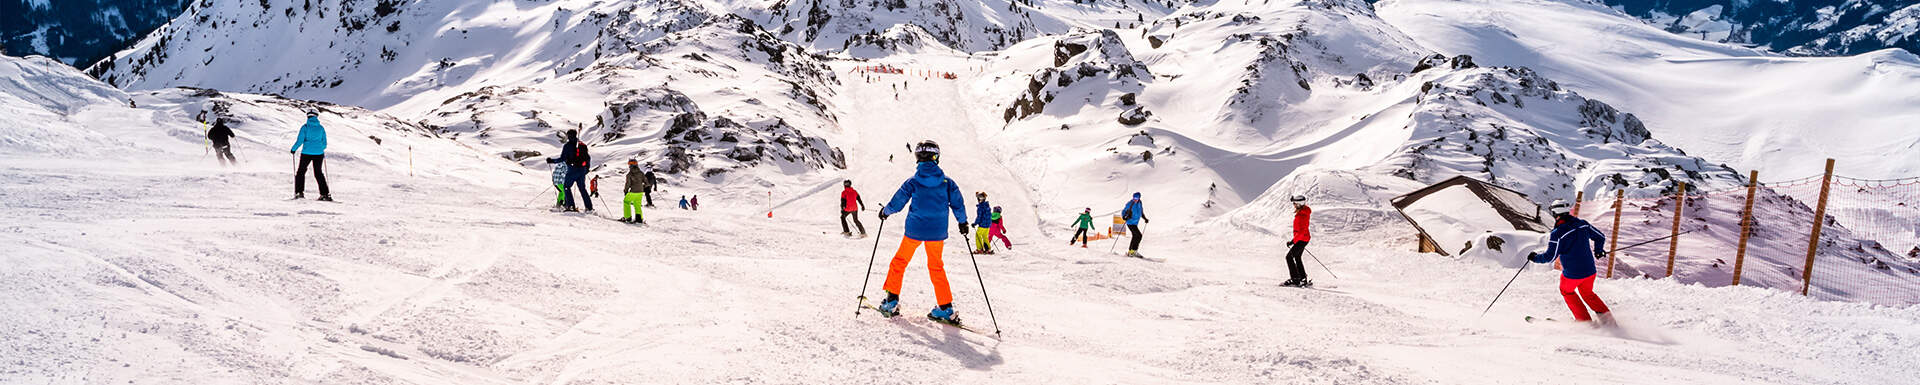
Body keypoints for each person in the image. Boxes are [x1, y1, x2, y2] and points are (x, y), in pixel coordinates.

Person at [874, 140, 970, 324]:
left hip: (914, 231)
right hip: (937, 232)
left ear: (918, 157)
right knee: (936, 267)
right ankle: (945, 308)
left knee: (900, 262)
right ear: (936, 158)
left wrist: (885, 211)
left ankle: (891, 301)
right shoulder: (947, 183)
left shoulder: (913, 182)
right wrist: (963, 222)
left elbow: (898, 201)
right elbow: (958, 203)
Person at [1528, 200, 1613, 324]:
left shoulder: (1558, 234)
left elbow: (1550, 257)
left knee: (1566, 291)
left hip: (1573, 274)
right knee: (1587, 293)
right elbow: (1600, 236)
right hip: (1590, 271)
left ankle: (1584, 322)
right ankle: (1609, 321)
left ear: (1555, 213)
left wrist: (1535, 258)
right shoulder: (1582, 224)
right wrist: (1598, 250)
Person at [288, 109, 331, 201]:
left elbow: (300, 140)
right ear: (316, 116)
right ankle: (325, 194)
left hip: (306, 153)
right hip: (319, 153)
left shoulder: (305, 127)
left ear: (308, 116)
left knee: (301, 172)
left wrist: (293, 149)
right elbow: (324, 143)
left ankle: (299, 193)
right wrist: (319, 148)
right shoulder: (321, 128)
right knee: (318, 173)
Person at [545, 130, 593, 212]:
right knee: (582, 189)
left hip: (573, 169)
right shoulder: (582, 145)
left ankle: (570, 206)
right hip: (582, 169)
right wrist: (586, 169)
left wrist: (552, 161)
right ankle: (589, 208)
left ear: (568, 136)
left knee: (566, 186)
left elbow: (562, 158)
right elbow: (588, 158)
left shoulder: (567, 146)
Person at [1282, 195, 1313, 287]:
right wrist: (1294, 240)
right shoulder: (1302, 213)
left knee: (1289, 257)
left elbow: (1301, 231)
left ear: (1299, 204)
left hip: (1301, 239)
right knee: (1297, 257)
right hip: (1302, 239)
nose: (1294, 205)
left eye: (1295, 203)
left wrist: (1293, 241)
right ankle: (1302, 278)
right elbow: (1300, 231)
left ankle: (1295, 279)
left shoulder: (1302, 215)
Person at [1121, 192, 1149, 257]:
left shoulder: (1140, 203)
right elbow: (1123, 211)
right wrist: (1124, 217)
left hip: (1135, 223)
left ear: (1139, 198)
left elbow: (1141, 212)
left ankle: (1131, 251)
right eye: (1134, 198)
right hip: (1130, 222)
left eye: (1136, 198)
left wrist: (1145, 218)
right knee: (1139, 235)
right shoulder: (1130, 204)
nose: (1135, 199)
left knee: (1135, 236)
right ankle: (1133, 251)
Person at [621, 159, 646, 224]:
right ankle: (639, 219)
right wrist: (646, 187)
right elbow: (645, 181)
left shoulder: (630, 174)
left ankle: (627, 217)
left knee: (626, 202)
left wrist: (625, 191)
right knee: (637, 204)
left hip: (633, 191)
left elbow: (628, 184)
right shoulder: (641, 173)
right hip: (640, 191)